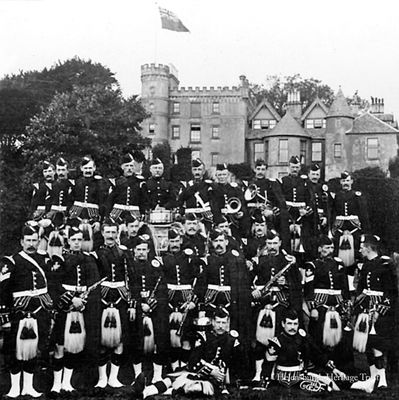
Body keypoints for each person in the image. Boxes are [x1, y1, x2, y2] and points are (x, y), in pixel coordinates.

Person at [132, 308, 241, 398]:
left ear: (228, 323)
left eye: (223, 322)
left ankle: (170, 391)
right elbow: (194, 360)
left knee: (194, 388)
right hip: (199, 372)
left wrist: (225, 379)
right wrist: (211, 370)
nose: (221, 326)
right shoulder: (205, 336)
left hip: (214, 382)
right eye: (218, 322)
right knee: (172, 379)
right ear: (212, 322)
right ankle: (144, 392)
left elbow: (237, 364)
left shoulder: (231, 340)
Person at [0, 225, 53, 398]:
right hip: (19, 312)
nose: (31, 244)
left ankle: (29, 387)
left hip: (40, 311)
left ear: (39, 241)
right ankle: (15, 388)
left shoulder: (45, 259)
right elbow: (3, 291)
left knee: (33, 348)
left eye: (34, 240)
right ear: (22, 242)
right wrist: (5, 317)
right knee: (15, 349)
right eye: (28, 240)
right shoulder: (12, 261)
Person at [49, 227, 101, 393]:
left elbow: (94, 283)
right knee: (60, 344)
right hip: (65, 306)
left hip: (82, 307)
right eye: (74, 240)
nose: (77, 243)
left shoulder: (89, 259)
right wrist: (71, 299)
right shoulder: (59, 259)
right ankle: (56, 385)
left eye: (80, 240)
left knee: (75, 344)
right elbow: (54, 285)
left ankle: (67, 383)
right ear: (68, 241)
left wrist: (83, 301)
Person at [250, 230, 300, 383]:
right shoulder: (260, 260)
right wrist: (255, 291)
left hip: (281, 304)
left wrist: (287, 283)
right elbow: (251, 281)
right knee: (259, 340)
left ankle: (271, 372)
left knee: (276, 339)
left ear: (280, 243)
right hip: (263, 303)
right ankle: (258, 373)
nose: (272, 246)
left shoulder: (288, 261)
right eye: (269, 243)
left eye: (274, 243)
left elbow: (297, 284)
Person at [261, 309, 346, 392]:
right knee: (325, 389)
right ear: (283, 324)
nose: (293, 327)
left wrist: (334, 369)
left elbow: (317, 355)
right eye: (289, 324)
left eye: (295, 324)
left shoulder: (303, 337)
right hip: (284, 380)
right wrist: (264, 385)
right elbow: (267, 365)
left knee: (331, 383)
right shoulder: (276, 342)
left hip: (301, 375)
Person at [350, 234, 395, 392]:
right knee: (366, 342)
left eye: (362, 246)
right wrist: (356, 308)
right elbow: (361, 288)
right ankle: (372, 377)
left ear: (369, 247)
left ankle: (381, 378)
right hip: (365, 307)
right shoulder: (365, 264)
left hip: (379, 309)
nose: (360, 249)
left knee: (377, 342)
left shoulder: (385, 264)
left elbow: (391, 290)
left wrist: (382, 307)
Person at [93, 219, 134, 388]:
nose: (110, 236)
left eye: (113, 232)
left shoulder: (124, 253)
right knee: (103, 339)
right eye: (107, 232)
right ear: (102, 233)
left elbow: (130, 277)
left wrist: (130, 300)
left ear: (117, 233)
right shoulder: (95, 253)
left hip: (120, 298)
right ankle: (102, 378)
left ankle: (114, 378)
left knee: (120, 338)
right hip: (103, 297)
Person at [304, 235, 352, 371]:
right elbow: (308, 288)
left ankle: (339, 366)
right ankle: (317, 365)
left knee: (339, 334)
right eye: (327, 247)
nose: (330, 250)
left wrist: (347, 303)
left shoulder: (339, 263)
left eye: (332, 247)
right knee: (317, 334)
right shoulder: (312, 265)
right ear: (320, 249)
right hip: (320, 304)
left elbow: (345, 286)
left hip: (337, 303)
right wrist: (312, 307)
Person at [129, 237, 169, 384]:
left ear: (148, 250)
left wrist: (151, 305)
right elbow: (130, 289)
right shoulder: (130, 266)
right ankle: (137, 376)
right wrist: (139, 305)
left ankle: (157, 376)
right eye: (138, 249)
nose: (141, 253)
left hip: (155, 310)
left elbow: (162, 289)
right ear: (134, 250)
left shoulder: (155, 265)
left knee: (159, 341)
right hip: (137, 309)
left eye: (143, 250)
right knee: (136, 342)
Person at [162, 228, 203, 371]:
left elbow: (198, 280)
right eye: (171, 241)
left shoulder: (189, 257)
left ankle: (185, 368)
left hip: (187, 300)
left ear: (181, 240)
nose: (174, 244)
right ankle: (174, 369)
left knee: (187, 336)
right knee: (172, 336)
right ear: (168, 242)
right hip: (170, 300)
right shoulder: (163, 258)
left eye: (176, 241)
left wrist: (193, 301)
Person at [201, 229, 251, 346]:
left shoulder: (236, 259)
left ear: (226, 242)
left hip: (231, 300)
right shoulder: (207, 260)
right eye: (215, 241)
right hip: (212, 301)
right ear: (211, 243)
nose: (218, 244)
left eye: (221, 240)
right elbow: (202, 284)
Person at [330, 171, 370, 292]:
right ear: (340, 182)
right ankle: (341, 283)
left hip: (354, 229)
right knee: (337, 253)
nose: (345, 183)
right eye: (343, 181)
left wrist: (365, 231)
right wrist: (332, 230)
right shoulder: (336, 196)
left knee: (355, 255)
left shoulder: (357, 195)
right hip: (339, 228)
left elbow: (364, 214)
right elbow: (332, 213)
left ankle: (351, 284)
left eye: (348, 181)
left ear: (352, 181)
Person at [245, 159, 289, 248]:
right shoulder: (249, 184)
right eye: (258, 169)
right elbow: (246, 203)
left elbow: (280, 202)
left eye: (263, 169)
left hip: (269, 219)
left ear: (266, 170)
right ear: (254, 169)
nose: (260, 172)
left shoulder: (271, 183)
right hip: (253, 218)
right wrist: (256, 207)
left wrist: (271, 212)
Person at [281, 156, 316, 257]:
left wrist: (307, 210)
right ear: (289, 167)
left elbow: (311, 198)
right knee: (286, 238)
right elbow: (280, 198)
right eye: (293, 167)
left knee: (303, 239)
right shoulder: (283, 180)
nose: (295, 169)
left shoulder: (305, 181)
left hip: (302, 215)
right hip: (288, 214)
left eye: (297, 167)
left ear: (300, 167)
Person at [107, 153, 147, 223]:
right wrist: (107, 214)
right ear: (122, 167)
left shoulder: (139, 182)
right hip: (118, 213)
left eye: (131, 166)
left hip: (134, 213)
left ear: (134, 168)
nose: (129, 168)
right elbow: (110, 200)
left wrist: (143, 213)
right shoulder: (115, 182)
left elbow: (142, 200)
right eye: (127, 166)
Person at [178, 158, 216, 230]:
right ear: (192, 171)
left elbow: (214, 202)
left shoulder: (209, 185)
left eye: (199, 169)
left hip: (206, 217)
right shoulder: (186, 185)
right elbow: (180, 201)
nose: (197, 172)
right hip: (190, 217)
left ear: (204, 171)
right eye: (195, 170)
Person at [212, 163, 248, 239]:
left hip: (233, 221)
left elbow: (242, 204)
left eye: (224, 175)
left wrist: (241, 212)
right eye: (219, 175)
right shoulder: (213, 189)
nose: (222, 177)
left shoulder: (235, 189)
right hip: (219, 221)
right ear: (216, 176)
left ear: (228, 175)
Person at [307, 164, 330, 254]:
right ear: (309, 175)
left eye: (317, 174)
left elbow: (327, 205)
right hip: (310, 219)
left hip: (321, 219)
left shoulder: (323, 188)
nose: (315, 177)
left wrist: (326, 217)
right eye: (313, 174)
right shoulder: (305, 186)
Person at [47, 157, 74, 222]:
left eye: (63, 170)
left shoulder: (72, 185)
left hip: (67, 215)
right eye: (59, 170)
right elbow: (48, 202)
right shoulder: (51, 185)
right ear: (56, 171)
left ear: (67, 170)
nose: (61, 172)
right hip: (53, 215)